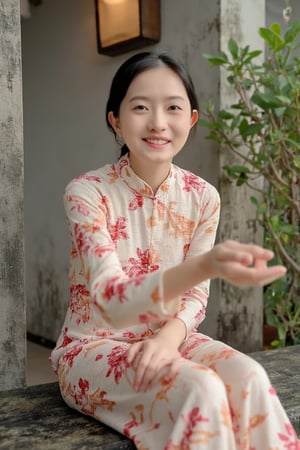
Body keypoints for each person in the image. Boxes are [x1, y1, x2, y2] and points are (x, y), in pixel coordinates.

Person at [50, 52, 299, 450]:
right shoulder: (86, 193)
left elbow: (195, 298)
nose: (158, 122)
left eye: (173, 108)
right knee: (200, 388)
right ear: (115, 119)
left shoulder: (203, 197)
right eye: (141, 107)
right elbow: (113, 303)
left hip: (173, 337)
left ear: (191, 119)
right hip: (93, 348)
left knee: (250, 376)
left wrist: (168, 340)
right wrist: (206, 265)